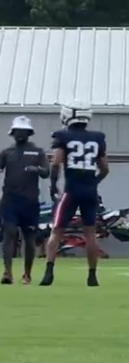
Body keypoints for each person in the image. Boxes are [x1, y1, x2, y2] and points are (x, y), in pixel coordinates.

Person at [42, 101, 108, 287]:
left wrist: (53, 185)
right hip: (89, 190)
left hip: (71, 190)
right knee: (90, 233)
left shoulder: (63, 136)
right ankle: (92, 276)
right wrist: (93, 182)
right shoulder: (97, 137)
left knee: (56, 230)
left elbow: (56, 162)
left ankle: (48, 272)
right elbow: (105, 168)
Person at [0, 116, 50, 285]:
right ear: (12, 133)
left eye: (23, 131)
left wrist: (36, 169)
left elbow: (46, 172)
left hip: (30, 201)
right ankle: (7, 272)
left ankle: (27, 274)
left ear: (29, 133)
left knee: (29, 237)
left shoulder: (38, 152)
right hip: (10, 200)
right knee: (10, 234)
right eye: (17, 131)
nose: (20, 134)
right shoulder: (7, 152)